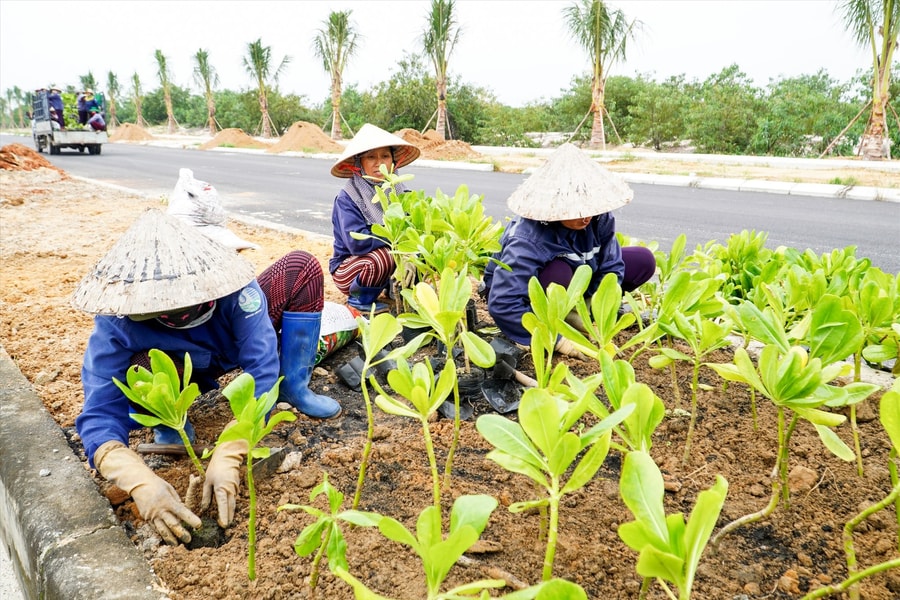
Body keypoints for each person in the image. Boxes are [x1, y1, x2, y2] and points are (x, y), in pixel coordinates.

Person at [72, 209, 340, 545]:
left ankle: (294, 388)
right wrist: (137, 479)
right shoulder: (118, 322)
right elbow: (99, 413)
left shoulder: (236, 292)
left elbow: (261, 369)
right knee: (140, 366)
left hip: (226, 349)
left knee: (300, 266)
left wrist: (232, 447)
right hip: (176, 373)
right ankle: (171, 422)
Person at [482, 143, 656, 357]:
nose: (585, 217)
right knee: (559, 273)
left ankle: (577, 315)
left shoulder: (599, 218)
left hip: (578, 279)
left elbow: (612, 267)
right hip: (520, 291)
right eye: (576, 210)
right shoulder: (528, 237)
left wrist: (598, 315)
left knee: (642, 261)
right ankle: (554, 319)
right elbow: (504, 302)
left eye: (589, 208)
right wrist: (556, 340)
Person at [329, 123, 420, 313]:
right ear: (360, 162)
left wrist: (411, 252)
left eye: (385, 156)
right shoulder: (348, 197)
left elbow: (415, 228)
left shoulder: (401, 191)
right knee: (385, 255)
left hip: (384, 265)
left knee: (420, 251)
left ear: (393, 161)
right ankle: (359, 299)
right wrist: (395, 242)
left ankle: (397, 289)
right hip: (351, 268)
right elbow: (357, 243)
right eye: (371, 157)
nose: (379, 163)